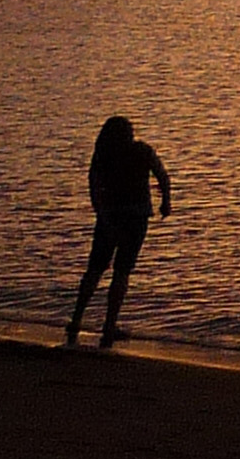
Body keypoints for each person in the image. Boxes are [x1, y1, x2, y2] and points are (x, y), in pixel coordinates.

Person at [67, 116, 170, 348]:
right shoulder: (142, 151)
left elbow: (93, 186)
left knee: (95, 269)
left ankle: (76, 319)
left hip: (110, 217)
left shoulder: (103, 155)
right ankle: (109, 325)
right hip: (135, 217)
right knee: (122, 271)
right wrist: (166, 202)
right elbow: (162, 175)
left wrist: (101, 213)